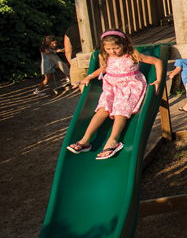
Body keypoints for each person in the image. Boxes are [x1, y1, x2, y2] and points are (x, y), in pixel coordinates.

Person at [66, 30, 164, 160]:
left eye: (116, 48)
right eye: (108, 49)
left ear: (124, 44)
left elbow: (157, 62)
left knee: (120, 110)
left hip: (129, 87)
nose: (113, 51)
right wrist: (89, 76)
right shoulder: (106, 56)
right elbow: (104, 69)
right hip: (111, 87)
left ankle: (113, 140)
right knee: (102, 110)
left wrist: (159, 79)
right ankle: (85, 140)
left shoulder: (132, 55)